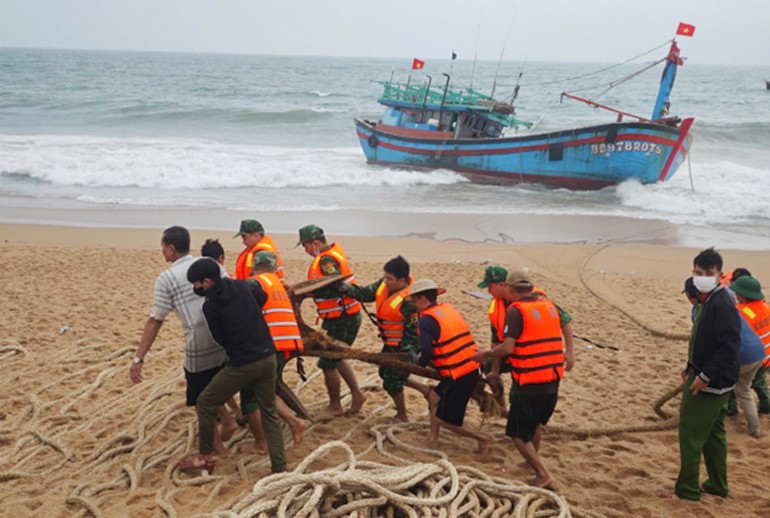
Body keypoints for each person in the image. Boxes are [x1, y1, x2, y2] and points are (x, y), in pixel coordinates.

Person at [129, 226, 237, 455]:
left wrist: (139, 357)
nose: (162, 252)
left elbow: (155, 320)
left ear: (170, 248)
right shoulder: (212, 265)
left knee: (200, 398)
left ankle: (219, 446)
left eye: (162, 248)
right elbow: (232, 293)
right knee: (217, 383)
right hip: (226, 337)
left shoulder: (166, 279)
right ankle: (228, 420)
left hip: (198, 343)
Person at [178, 258, 286, 475]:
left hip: (244, 363)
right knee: (269, 411)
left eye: (196, 284)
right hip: (268, 356)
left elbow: (220, 338)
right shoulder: (242, 285)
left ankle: (205, 458)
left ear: (207, 282)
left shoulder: (211, 306)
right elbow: (262, 297)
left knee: (206, 401)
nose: (195, 288)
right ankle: (280, 467)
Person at [472, 268, 567, 489]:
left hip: (530, 381)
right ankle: (531, 461)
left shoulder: (515, 311)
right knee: (533, 423)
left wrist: (484, 355)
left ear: (511, 289)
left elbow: (506, 347)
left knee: (516, 433)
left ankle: (542, 473)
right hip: (552, 379)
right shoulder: (548, 306)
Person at [663, 247, 741, 501]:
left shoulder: (723, 303)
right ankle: (718, 484)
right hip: (711, 376)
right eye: (698, 272)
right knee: (713, 434)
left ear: (719, 274)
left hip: (712, 382)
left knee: (691, 434)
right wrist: (690, 366)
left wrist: (704, 376)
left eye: (708, 273)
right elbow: (701, 339)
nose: (702, 276)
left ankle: (686, 491)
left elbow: (728, 347)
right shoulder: (709, 298)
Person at [409, 278, 493, 455]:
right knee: (434, 397)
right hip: (471, 366)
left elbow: (427, 352)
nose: (414, 305)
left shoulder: (425, 320)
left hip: (459, 374)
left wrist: (417, 362)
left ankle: (482, 438)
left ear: (422, 299)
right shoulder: (447, 309)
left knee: (444, 420)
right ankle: (433, 438)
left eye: (414, 301)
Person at [341, 255, 428, 423]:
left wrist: (408, 352)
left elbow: (413, 331)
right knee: (384, 372)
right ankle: (426, 390)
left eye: (390, 279)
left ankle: (402, 415)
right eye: (385, 277)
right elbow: (365, 293)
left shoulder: (409, 300)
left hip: (403, 345)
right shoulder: (384, 284)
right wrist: (346, 289)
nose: (386, 281)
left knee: (391, 380)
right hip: (390, 342)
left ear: (402, 280)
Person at [479, 266, 575, 408]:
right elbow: (496, 340)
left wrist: (570, 351)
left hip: (533, 355)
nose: (488, 291)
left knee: (521, 395)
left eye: (490, 286)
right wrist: (495, 369)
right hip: (511, 351)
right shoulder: (497, 307)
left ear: (502, 285)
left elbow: (564, 321)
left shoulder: (533, 299)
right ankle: (502, 409)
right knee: (487, 367)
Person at [239, 251, 306, 452]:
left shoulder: (256, 283)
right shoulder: (278, 284)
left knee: (251, 396)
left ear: (254, 267)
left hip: (269, 345)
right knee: (266, 390)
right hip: (287, 344)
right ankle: (294, 422)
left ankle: (261, 443)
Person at [298, 224, 366, 418]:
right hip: (339, 317)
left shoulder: (327, 260)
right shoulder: (329, 254)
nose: (306, 251)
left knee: (327, 362)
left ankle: (335, 405)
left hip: (343, 318)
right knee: (337, 355)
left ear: (316, 243)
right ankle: (357, 394)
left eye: (306, 246)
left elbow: (335, 286)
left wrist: (307, 291)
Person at [685, 277, 763, 437]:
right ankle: (754, 428)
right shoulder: (723, 303)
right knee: (744, 389)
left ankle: (719, 416)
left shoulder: (700, 310)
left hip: (740, 355)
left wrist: (696, 370)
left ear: (689, 295)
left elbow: (705, 344)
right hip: (758, 352)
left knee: (719, 384)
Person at [731, 275, 770, 416]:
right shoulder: (765, 306)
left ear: (742, 296)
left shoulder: (742, 312)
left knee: (735, 383)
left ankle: (731, 408)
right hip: (767, 356)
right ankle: (766, 406)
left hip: (754, 357)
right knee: (760, 383)